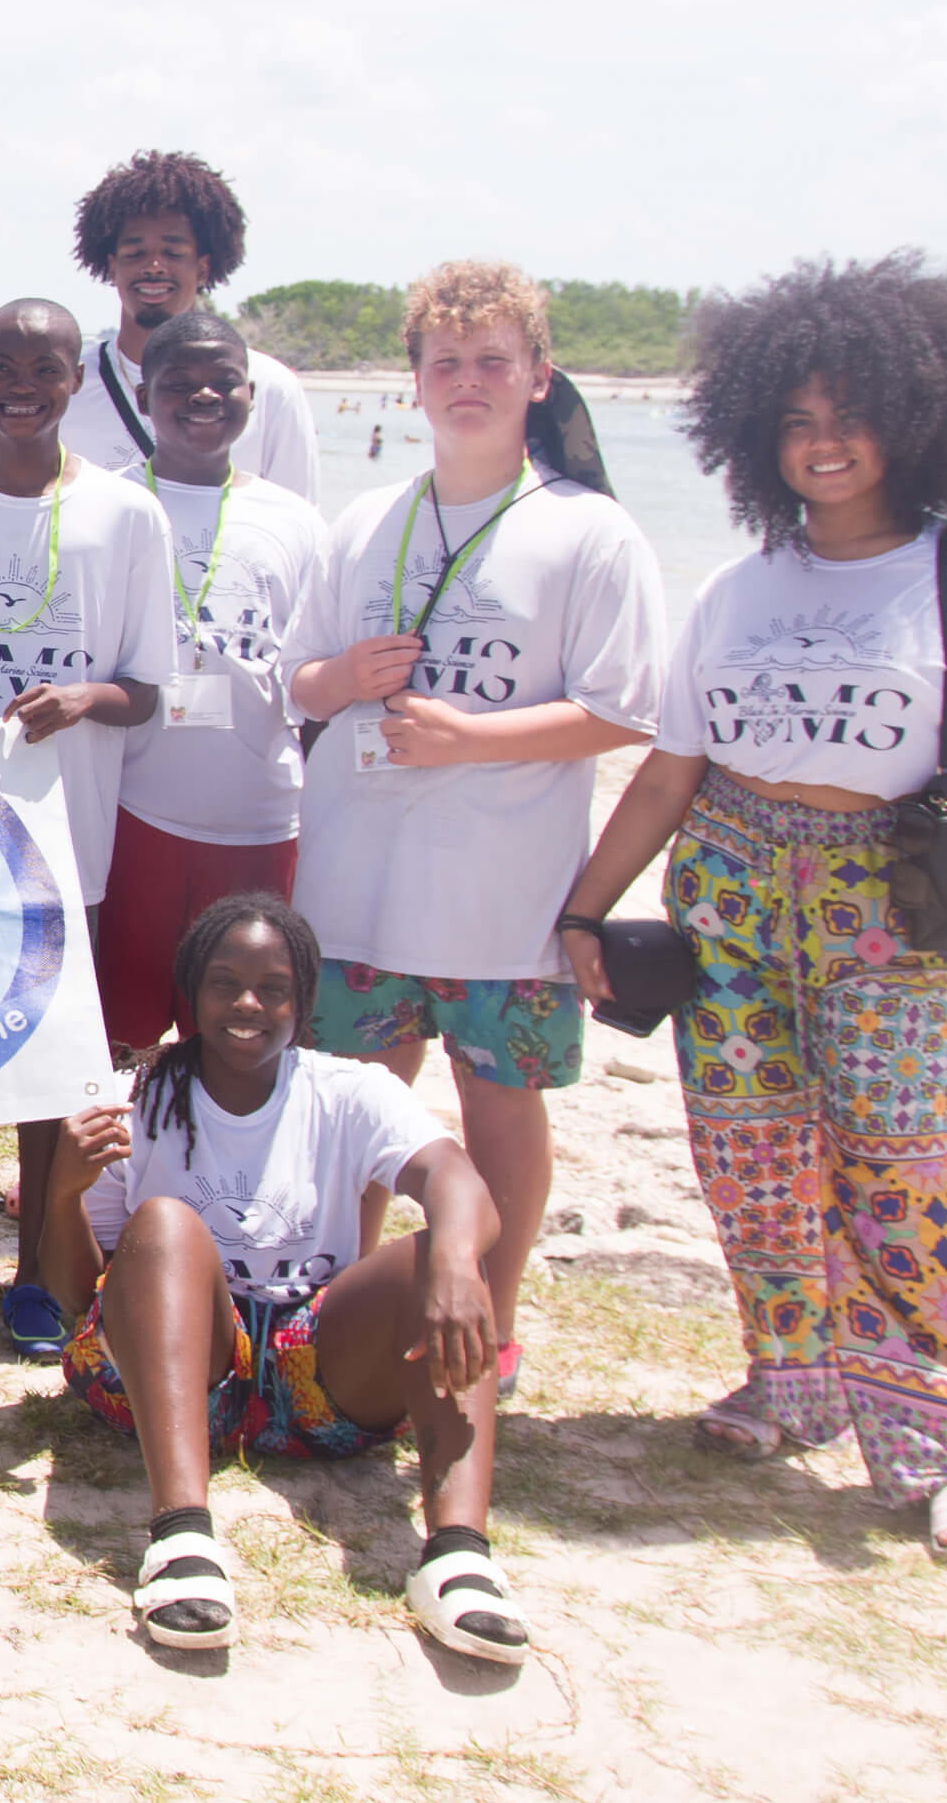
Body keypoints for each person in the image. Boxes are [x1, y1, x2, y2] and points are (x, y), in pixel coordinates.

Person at [556, 254, 947, 1564]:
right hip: (727, 881)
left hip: (888, 896)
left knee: (906, 1161)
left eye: (849, 414)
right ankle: (794, 1381)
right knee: (749, 1153)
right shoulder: (739, 586)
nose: (823, 443)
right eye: (797, 420)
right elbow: (671, 768)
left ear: (916, 415)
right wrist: (586, 907)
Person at [283, 260, 664, 1402]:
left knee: (499, 1105)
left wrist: (471, 740)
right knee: (355, 1104)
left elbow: (621, 710)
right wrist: (342, 674)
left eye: (493, 361)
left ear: (539, 377)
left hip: (502, 903)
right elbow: (297, 684)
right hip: (354, 885)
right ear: (412, 381)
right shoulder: (367, 520)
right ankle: (332, 1309)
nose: (468, 381)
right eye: (445, 362)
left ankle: (489, 1319)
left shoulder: (589, 533)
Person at [38, 895, 527, 1663]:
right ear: (191, 994)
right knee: (164, 1224)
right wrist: (64, 1191)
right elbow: (79, 1297)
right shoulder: (136, 1101)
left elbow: (455, 1178)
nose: (247, 1004)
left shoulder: (349, 1091)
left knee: (446, 1250)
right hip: (176, 1376)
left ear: (303, 1001)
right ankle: (182, 1539)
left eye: (273, 988)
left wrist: (460, 1266)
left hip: (317, 1372)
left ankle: (459, 1555)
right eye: (224, 983)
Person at [0, 299, 176, 1357]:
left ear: (75, 381)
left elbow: (150, 686)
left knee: (48, 1056)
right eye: (0, 363)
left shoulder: (125, 515)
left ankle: (35, 1273)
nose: (20, 383)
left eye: (44, 366)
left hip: (67, 836)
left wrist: (82, 700)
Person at [97, 310, 327, 1056]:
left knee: (244, 1038)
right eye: (179, 384)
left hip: (262, 820)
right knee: (118, 1034)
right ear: (143, 394)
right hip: (138, 816)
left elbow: (315, 684)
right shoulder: (107, 510)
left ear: (251, 396)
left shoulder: (295, 521)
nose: (203, 396)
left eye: (222, 382)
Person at [59, 149, 319, 500]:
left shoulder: (271, 388)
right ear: (112, 266)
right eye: (135, 253)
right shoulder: (67, 387)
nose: (153, 266)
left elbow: (299, 522)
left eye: (173, 253)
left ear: (203, 268)